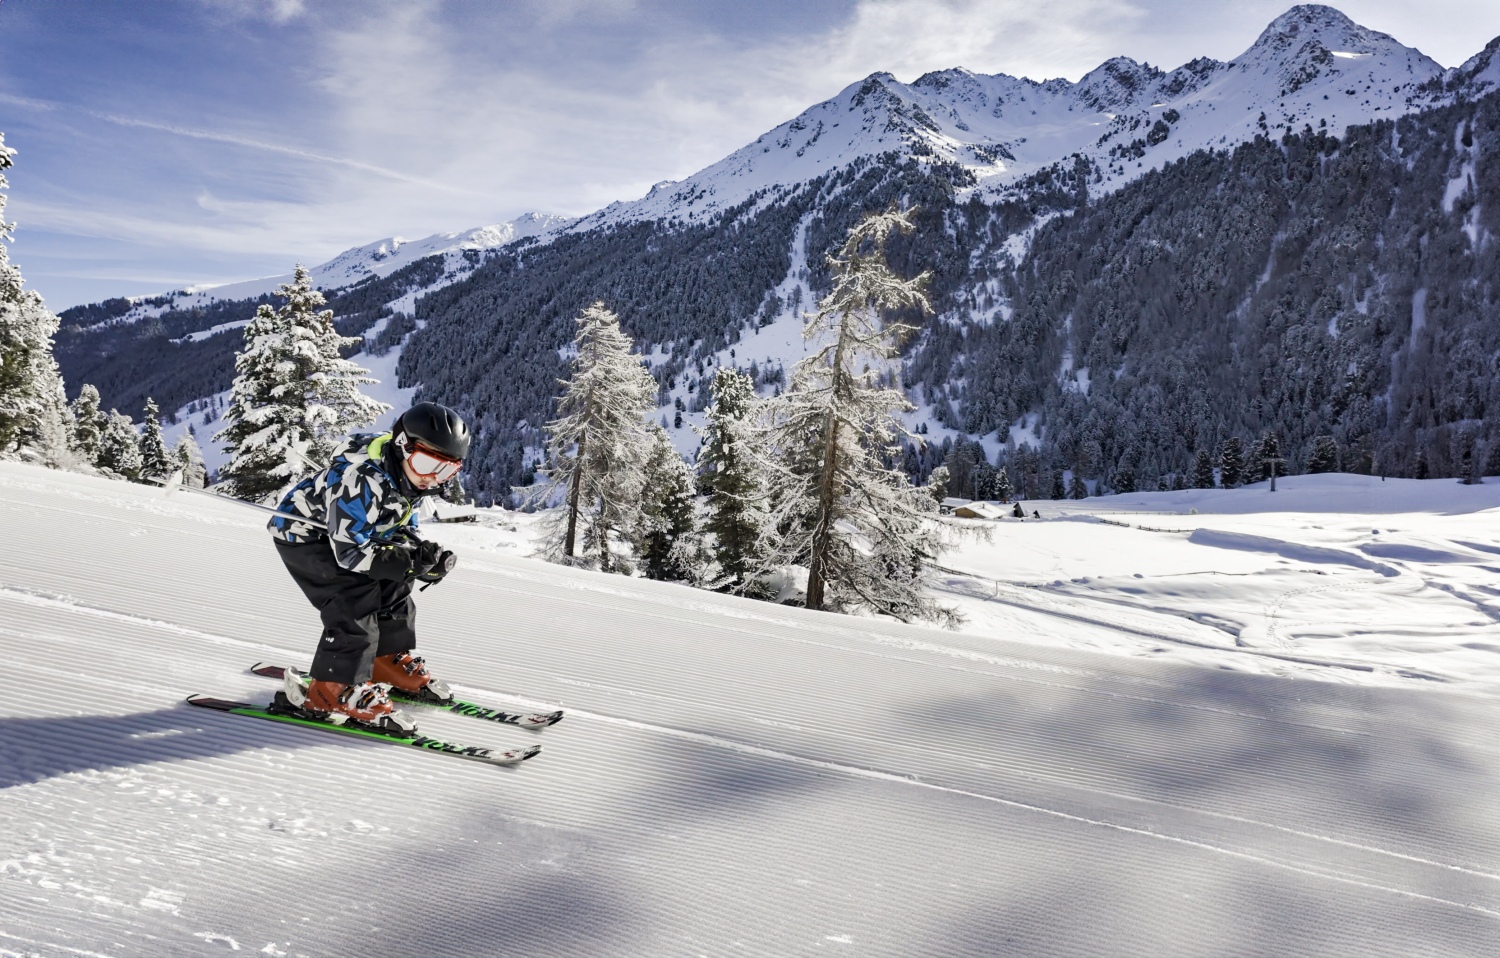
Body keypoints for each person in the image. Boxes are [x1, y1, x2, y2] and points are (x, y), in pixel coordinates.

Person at [266, 402, 469, 732]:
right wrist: (404, 561)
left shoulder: (408, 473)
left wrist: (418, 556)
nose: (434, 476)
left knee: (395, 587)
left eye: (446, 471)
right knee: (353, 596)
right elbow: (349, 555)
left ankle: (382, 660)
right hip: (306, 536)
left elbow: (397, 521)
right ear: (404, 446)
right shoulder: (361, 479)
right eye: (428, 463)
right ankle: (332, 689)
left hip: (358, 538)